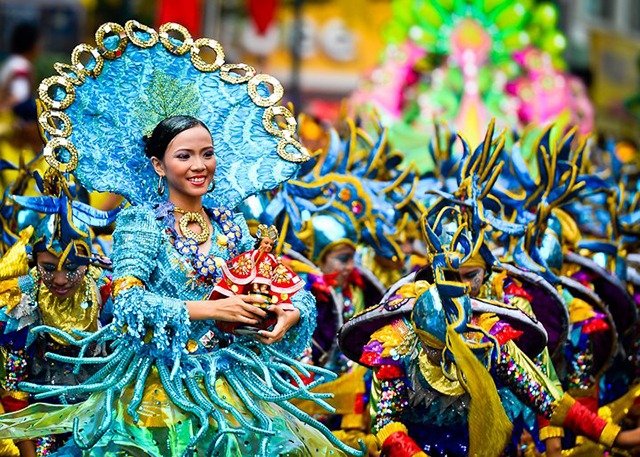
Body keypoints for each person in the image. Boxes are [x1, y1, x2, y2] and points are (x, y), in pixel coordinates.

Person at [0, 20, 360, 456]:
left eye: (207, 154)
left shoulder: (231, 224)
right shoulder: (141, 222)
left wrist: (288, 315)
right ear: (158, 165)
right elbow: (128, 301)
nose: (199, 165)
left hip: (233, 386)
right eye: (184, 155)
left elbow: (282, 284)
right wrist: (213, 308)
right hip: (157, 389)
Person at [0, 175, 116, 456]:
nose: (61, 279)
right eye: (49, 268)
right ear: (34, 261)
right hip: (42, 425)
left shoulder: (107, 294)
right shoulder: (21, 302)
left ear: (89, 262)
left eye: (72, 267)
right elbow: (13, 385)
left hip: (101, 421)